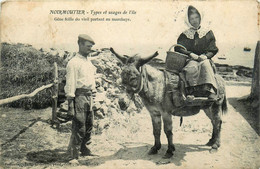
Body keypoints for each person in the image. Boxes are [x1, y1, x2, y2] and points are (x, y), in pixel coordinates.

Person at [175, 5, 218, 100]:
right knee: (191, 68)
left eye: (196, 17)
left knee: (206, 65)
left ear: (200, 18)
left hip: (204, 58)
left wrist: (206, 56)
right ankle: (191, 92)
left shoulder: (207, 32)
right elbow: (178, 48)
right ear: (188, 20)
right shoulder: (184, 34)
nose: (194, 20)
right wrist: (190, 54)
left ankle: (209, 91)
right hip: (191, 58)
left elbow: (213, 48)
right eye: (192, 19)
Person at [65, 34, 97, 159]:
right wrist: (70, 105)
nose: (90, 49)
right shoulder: (73, 63)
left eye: (91, 47)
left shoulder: (88, 61)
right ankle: (73, 156)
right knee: (79, 126)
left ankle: (85, 150)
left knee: (89, 125)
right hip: (79, 96)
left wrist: (93, 96)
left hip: (89, 96)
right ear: (80, 44)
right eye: (88, 46)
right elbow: (71, 83)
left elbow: (91, 80)